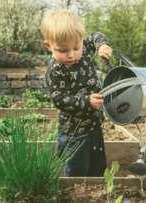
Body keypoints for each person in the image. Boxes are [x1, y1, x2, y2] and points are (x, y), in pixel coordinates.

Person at [41, 9, 113, 177]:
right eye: (63, 50)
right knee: (76, 171)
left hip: (94, 126)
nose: (71, 54)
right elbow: (60, 100)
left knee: (97, 168)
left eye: (76, 47)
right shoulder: (55, 71)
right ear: (48, 46)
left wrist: (102, 45)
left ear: (81, 41)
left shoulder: (85, 48)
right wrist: (87, 102)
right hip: (73, 133)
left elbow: (96, 36)